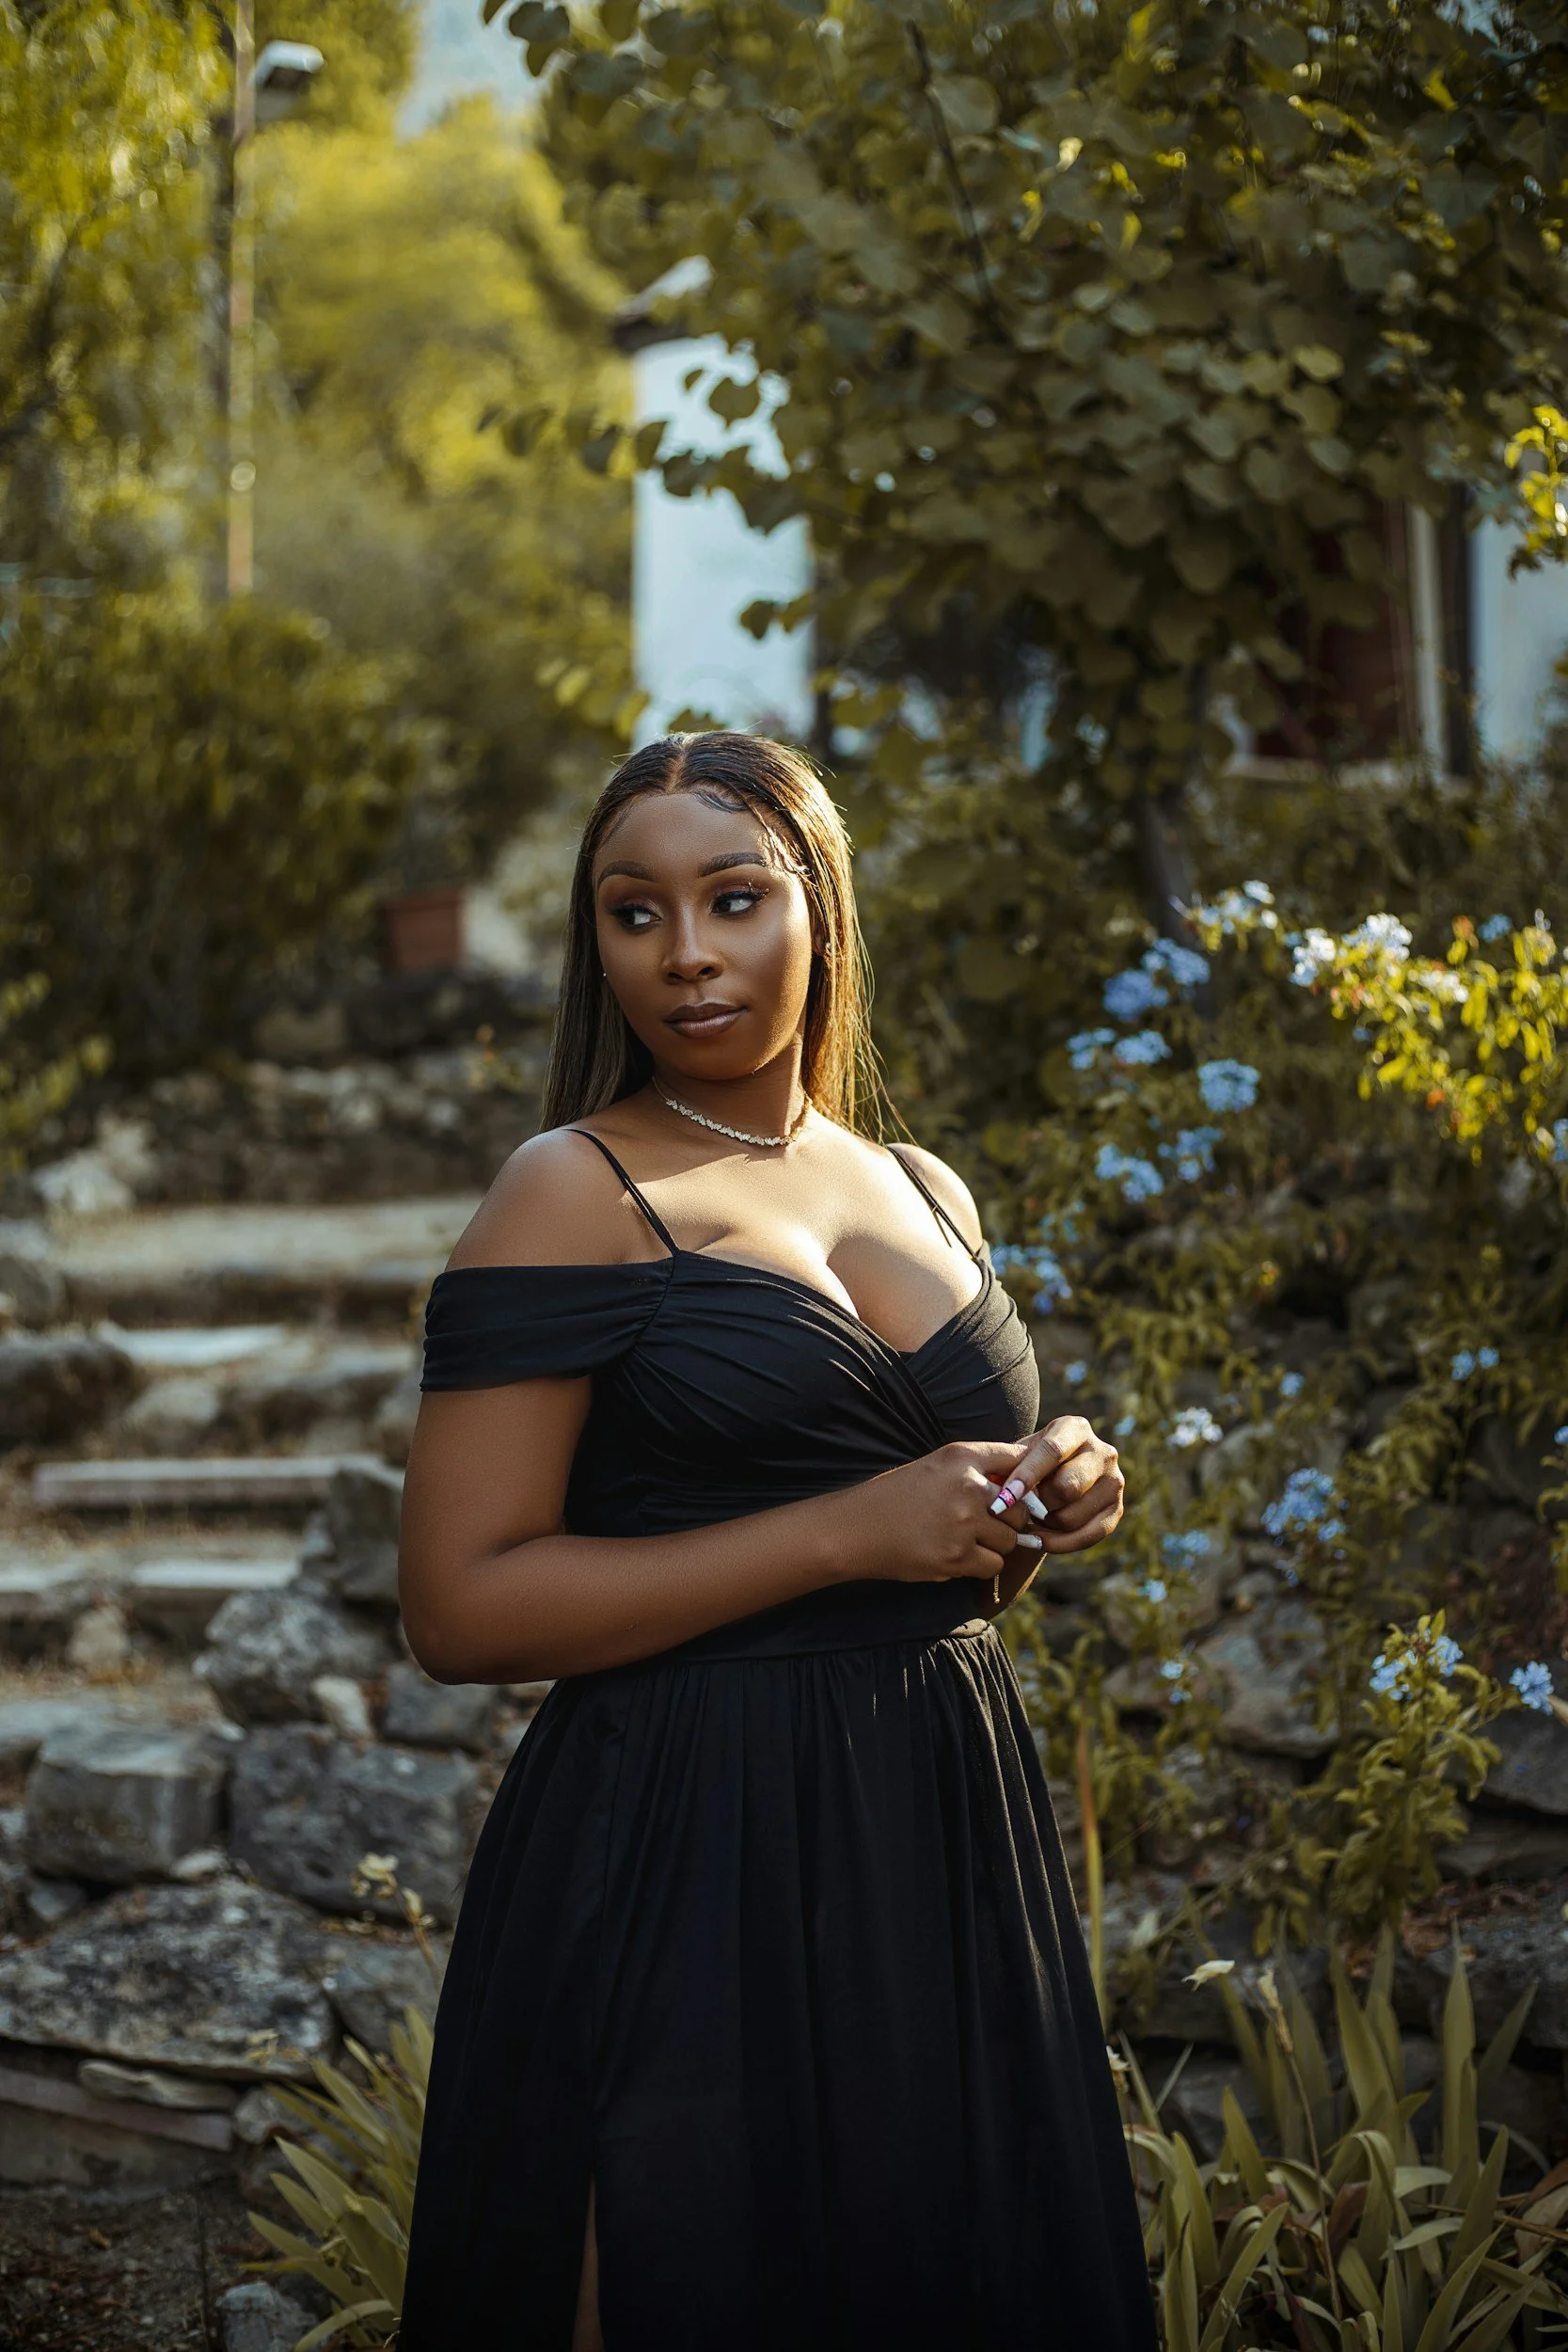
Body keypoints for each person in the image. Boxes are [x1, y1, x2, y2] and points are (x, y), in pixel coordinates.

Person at [396, 730, 1156, 2352]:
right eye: (632, 912)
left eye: (733, 899)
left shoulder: (919, 1184)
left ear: (817, 907)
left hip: (931, 1824)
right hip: (686, 1832)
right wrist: (848, 1529)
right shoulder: (574, 1187)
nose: (684, 956)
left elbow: (939, 1559)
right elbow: (458, 1611)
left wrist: (1038, 1501)